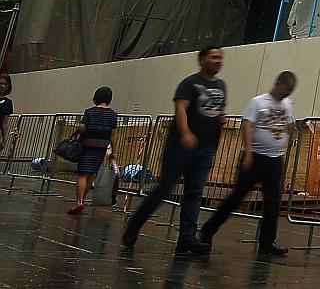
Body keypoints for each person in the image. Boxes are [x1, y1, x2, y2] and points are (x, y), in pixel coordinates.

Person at [122, 45, 228, 256]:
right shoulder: (190, 83)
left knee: (194, 193)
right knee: (164, 188)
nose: (218, 61)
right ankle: (134, 226)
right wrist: (186, 133)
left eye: (220, 58)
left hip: (205, 149)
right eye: (213, 57)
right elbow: (180, 109)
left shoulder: (222, 85)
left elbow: (219, 109)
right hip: (180, 148)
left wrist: (221, 120)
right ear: (202, 59)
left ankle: (187, 237)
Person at [199, 71, 297, 257]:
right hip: (255, 157)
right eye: (286, 88)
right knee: (237, 197)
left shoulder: (288, 105)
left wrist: (282, 151)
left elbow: (288, 126)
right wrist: (248, 153)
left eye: (291, 90)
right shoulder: (258, 102)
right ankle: (208, 230)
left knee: (273, 201)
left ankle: (267, 241)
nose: (288, 93)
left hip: (274, 159)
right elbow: (247, 126)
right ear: (278, 83)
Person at [69, 87, 117, 215]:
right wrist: (114, 150)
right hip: (101, 147)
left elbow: (82, 127)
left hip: (87, 145)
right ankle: (83, 200)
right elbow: (112, 134)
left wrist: (80, 130)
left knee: (82, 174)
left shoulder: (89, 112)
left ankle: (78, 202)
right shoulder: (113, 114)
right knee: (91, 174)